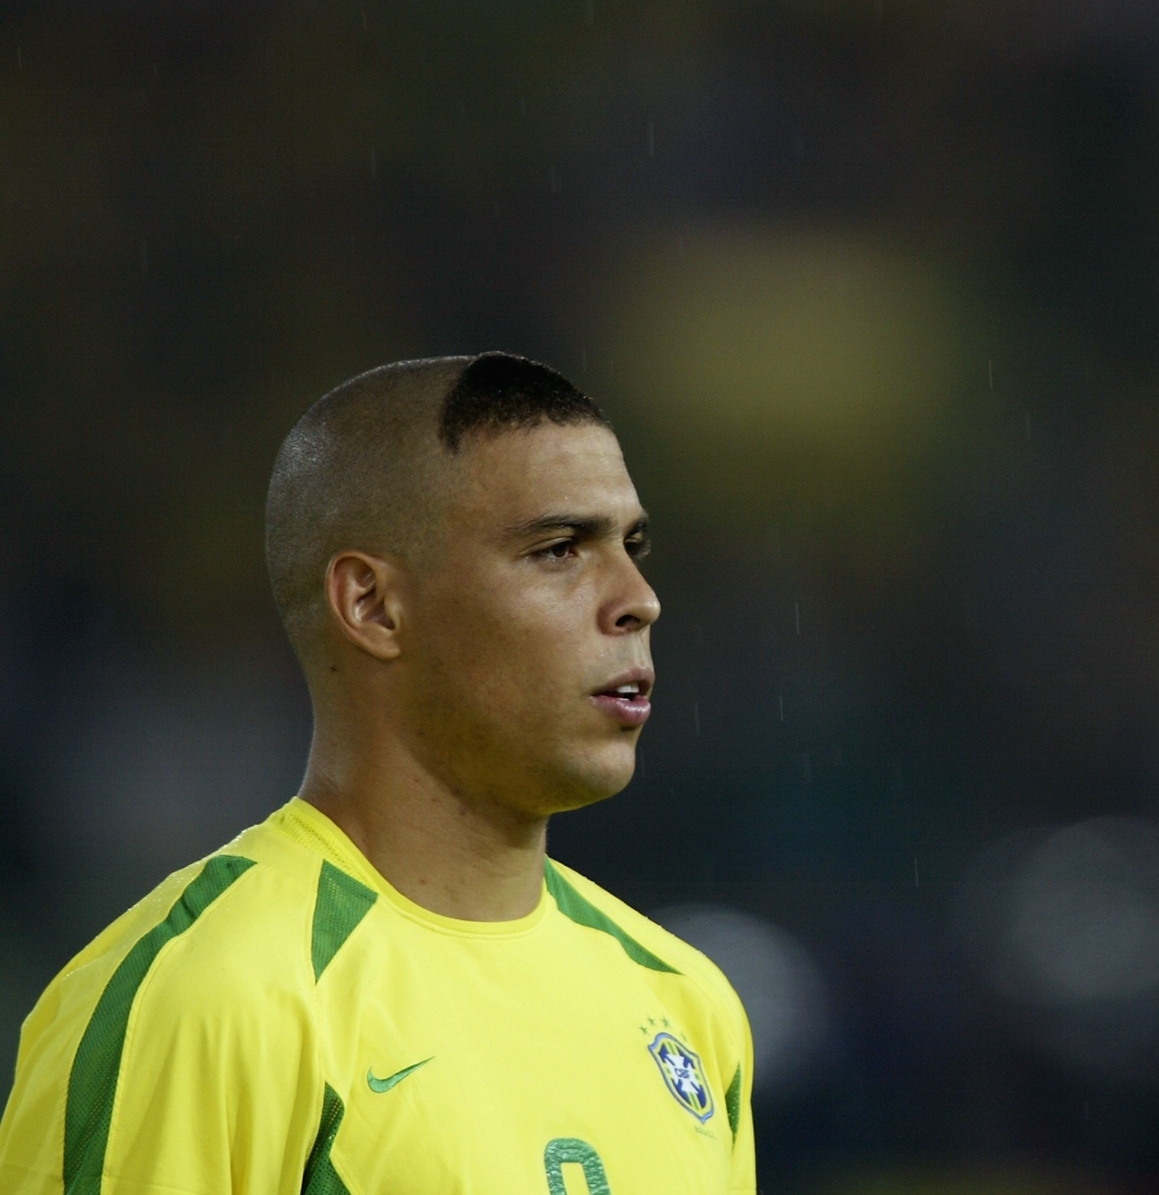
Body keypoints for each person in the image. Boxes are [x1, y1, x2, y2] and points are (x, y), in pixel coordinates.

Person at [0, 353, 754, 1194]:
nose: (638, 598)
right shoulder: (206, 1000)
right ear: (372, 606)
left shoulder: (688, 1003)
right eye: (558, 549)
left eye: (632, 545)